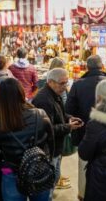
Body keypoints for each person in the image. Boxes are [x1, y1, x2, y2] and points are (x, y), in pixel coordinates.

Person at [0, 78, 54, 201]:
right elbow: (51, 143)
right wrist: (46, 161)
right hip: (38, 168)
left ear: (0, 97)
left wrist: (6, 170)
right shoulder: (40, 114)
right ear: (21, 92)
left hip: (12, 172)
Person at [65, 55, 106, 200]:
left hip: (84, 132)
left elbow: (69, 109)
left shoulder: (79, 84)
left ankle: (84, 195)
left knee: (84, 165)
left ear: (87, 67)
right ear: (102, 66)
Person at [32, 68, 83, 197]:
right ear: (50, 82)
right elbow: (47, 129)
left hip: (55, 147)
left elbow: (59, 114)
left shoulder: (55, 95)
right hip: (49, 149)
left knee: (55, 176)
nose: (65, 87)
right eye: (62, 83)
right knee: (49, 182)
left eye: (66, 83)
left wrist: (69, 118)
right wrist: (68, 127)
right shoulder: (44, 100)